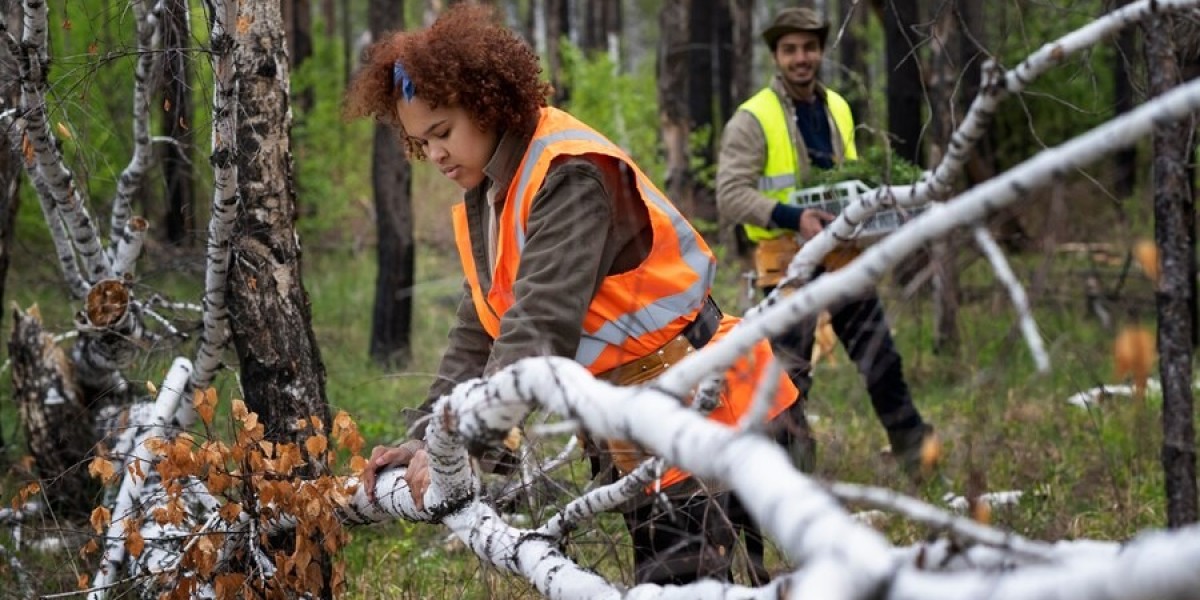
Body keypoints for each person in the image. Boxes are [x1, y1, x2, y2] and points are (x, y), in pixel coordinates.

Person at [345, 5, 808, 585]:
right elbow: (480, 328)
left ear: (488, 103)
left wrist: (467, 442)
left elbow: (538, 326)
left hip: (719, 407)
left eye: (443, 132)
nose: (434, 154)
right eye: (420, 142)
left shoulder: (567, 172)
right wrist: (425, 439)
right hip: (647, 424)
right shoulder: (492, 188)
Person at [715, 5, 936, 475]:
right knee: (788, 379)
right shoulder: (752, 118)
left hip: (840, 255)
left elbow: (848, 180)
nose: (802, 58)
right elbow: (731, 195)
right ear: (776, 55)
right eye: (791, 49)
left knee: (881, 359)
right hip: (786, 262)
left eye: (810, 48)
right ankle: (792, 478)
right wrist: (795, 217)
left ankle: (918, 459)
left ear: (820, 52)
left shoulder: (837, 106)